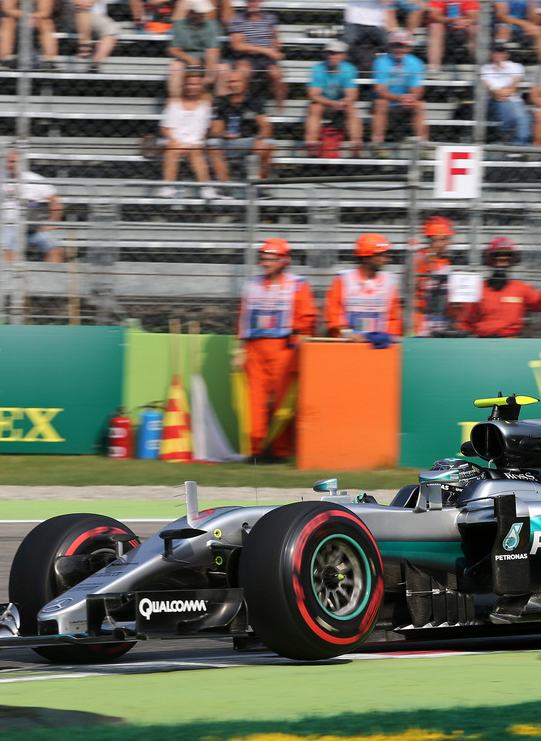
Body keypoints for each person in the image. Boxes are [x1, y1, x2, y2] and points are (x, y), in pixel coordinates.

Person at [234, 237, 318, 458]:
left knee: (284, 401)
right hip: (254, 348)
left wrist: (300, 346)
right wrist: (238, 349)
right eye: (263, 259)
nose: (265, 263)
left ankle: (281, 450)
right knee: (254, 400)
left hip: (285, 348)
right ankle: (256, 449)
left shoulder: (298, 285)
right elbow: (242, 318)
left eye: (270, 259)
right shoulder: (251, 287)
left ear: (283, 261)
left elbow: (307, 320)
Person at [456, 238, 541, 337]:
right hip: (482, 341)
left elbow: (540, 304)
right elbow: (465, 318)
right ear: (490, 260)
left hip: (511, 342)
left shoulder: (521, 288)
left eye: (507, 256)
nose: (502, 261)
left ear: (512, 260)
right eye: (498, 256)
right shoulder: (478, 288)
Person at [324, 233, 403, 345]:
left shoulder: (389, 281)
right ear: (367, 257)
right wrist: (348, 334)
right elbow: (333, 314)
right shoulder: (344, 279)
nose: (387, 259)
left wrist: (389, 336)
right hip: (347, 343)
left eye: (387, 255)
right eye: (381, 255)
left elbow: (393, 317)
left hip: (379, 344)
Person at [0, 150, 65, 263]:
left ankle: (48, 279)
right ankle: (8, 279)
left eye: (15, 162)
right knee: (7, 252)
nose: (12, 165)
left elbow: (54, 200)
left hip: (33, 227)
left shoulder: (35, 179)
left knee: (56, 250)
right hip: (8, 225)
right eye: (9, 162)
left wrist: (52, 222)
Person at [329, 0, 393, 78]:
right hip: (354, 23)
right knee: (342, 47)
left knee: (393, 46)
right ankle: (337, 75)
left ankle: (396, 73)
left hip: (376, 24)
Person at [208, 66, 274, 180]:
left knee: (268, 144)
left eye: (236, 81)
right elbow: (215, 130)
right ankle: (226, 188)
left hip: (249, 141)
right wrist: (223, 134)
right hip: (227, 142)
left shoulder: (253, 101)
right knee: (212, 145)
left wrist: (260, 139)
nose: (233, 85)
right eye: (230, 82)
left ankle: (260, 186)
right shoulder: (222, 102)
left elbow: (266, 126)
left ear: (245, 84)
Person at [158, 69, 216, 199]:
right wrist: (174, 140)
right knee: (172, 149)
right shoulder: (173, 102)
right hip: (174, 139)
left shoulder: (206, 103)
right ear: (184, 85)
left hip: (196, 141)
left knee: (195, 152)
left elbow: (206, 129)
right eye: (189, 84)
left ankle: (206, 187)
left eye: (196, 84)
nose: (192, 87)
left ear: (201, 86)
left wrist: (195, 143)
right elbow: (164, 128)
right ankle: (168, 187)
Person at [226, 0, 286, 111]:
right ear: (245, 1)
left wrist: (276, 48)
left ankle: (279, 105)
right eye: (250, 0)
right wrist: (267, 50)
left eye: (255, 0)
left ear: (261, 1)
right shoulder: (238, 19)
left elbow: (275, 38)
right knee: (243, 71)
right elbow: (237, 45)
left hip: (266, 59)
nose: (252, 3)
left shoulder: (270, 18)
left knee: (277, 73)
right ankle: (244, 105)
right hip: (246, 57)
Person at [371, 28, 427, 155]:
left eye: (403, 46)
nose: (399, 49)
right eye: (396, 46)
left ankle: (423, 146)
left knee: (419, 105)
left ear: (409, 48)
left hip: (405, 102)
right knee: (380, 103)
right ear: (390, 46)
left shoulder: (416, 63)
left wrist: (411, 98)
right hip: (389, 101)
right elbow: (379, 90)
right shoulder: (381, 62)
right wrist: (399, 98)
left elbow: (418, 90)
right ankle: (377, 145)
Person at [304, 39, 362, 157]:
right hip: (324, 103)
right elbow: (313, 94)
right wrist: (329, 103)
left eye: (336, 53)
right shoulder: (317, 69)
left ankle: (356, 146)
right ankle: (312, 145)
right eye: (330, 53)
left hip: (341, 103)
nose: (332, 56)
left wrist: (344, 101)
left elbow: (353, 94)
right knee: (314, 107)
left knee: (351, 108)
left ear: (344, 56)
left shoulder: (349, 69)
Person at [62, 0, 119, 73]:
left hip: (96, 16)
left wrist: (89, 2)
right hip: (73, 16)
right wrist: (79, 2)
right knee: (81, 11)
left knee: (111, 30)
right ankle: (84, 45)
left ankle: (96, 63)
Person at [426, 0, 479, 73]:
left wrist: (463, 22)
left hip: (463, 26)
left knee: (474, 28)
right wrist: (450, 20)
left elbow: (473, 16)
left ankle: (478, 64)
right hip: (444, 26)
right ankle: (434, 67)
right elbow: (434, 15)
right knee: (435, 27)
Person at [166, 0, 222, 96]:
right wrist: (189, 58)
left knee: (223, 69)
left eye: (203, 13)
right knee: (176, 67)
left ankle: (221, 104)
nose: (203, 15)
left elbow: (213, 51)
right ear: (191, 13)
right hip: (186, 58)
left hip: (208, 58)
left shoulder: (212, 25)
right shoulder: (180, 25)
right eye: (199, 13)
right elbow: (173, 49)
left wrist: (208, 76)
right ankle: (176, 100)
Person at [480, 41, 532, 146]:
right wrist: (502, 92)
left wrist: (503, 91)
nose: (498, 54)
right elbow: (492, 90)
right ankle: (519, 146)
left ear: (506, 54)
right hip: (494, 101)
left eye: (501, 52)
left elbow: (514, 86)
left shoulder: (515, 66)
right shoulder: (485, 69)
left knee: (523, 118)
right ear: (491, 53)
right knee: (520, 116)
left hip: (513, 100)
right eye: (495, 52)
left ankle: (515, 144)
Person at [413, 215, 454, 336]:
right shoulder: (417, 259)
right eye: (443, 239)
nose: (447, 243)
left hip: (442, 317)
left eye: (447, 239)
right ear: (431, 239)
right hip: (421, 318)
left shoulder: (445, 261)